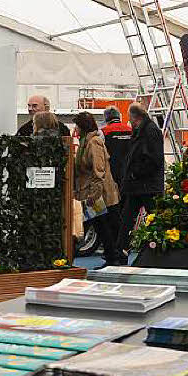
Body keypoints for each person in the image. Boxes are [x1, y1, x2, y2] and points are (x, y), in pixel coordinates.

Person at [115, 102, 164, 255]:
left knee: (148, 219)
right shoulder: (144, 130)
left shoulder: (149, 131)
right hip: (140, 185)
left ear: (134, 117)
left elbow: (155, 159)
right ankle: (121, 250)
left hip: (145, 185)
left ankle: (160, 250)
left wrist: (135, 173)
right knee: (128, 219)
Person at [73, 112, 120, 264]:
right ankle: (112, 257)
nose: (75, 129)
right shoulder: (85, 142)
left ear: (82, 126)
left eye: (77, 125)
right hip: (90, 190)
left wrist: (94, 194)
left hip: (99, 192)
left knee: (103, 226)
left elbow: (99, 169)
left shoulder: (93, 142)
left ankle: (112, 258)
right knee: (101, 225)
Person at [100, 106, 133, 199]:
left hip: (112, 172)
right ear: (119, 116)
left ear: (106, 118)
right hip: (129, 171)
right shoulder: (131, 130)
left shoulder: (104, 132)